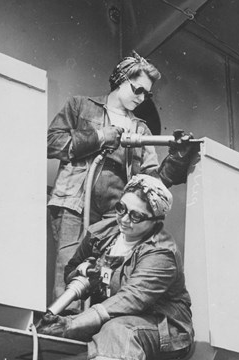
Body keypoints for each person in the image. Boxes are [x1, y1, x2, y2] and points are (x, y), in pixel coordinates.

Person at [47, 52, 194, 304]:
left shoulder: (141, 129)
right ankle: (61, 332)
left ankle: (92, 331)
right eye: (138, 90)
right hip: (74, 203)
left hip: (115, 213)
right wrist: (100, 137)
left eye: (147, 94)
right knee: (68, 271)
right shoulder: (80, 106)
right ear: (120, 79)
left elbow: (151, 182)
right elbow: (52, 143)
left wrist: (178, 157)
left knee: (106, 277)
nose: (141, 98)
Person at [37, 174, 193, 360]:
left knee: (117, 330)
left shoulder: (161, 253)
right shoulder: (101, 233)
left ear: (155, 221)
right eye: (121, 208)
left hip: (163, 326)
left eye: (136, 216)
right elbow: (72, 268)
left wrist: (72, 324)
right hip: (111, 320)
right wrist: (84, 274)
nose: (125, 219)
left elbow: (131, 299)